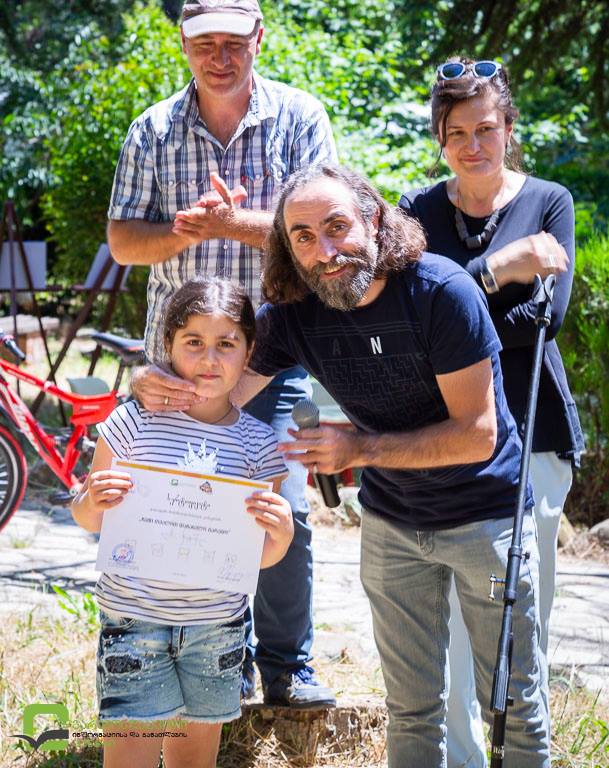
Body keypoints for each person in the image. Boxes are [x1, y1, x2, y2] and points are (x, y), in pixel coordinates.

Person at [231, 163, 551, 768]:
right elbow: (221, 394)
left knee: (512, 708)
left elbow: (477, 436)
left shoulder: (440, 292)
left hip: (486, 518)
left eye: (337, 227)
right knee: (411, 710)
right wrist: (149, 400)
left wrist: (360, 449)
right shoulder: (295, 313)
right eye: (303, 237)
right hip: (393, 525)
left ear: (374, 219)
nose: (325, 253)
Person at [106, 0, 337, 708]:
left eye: (234, 42)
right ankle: (217, 659)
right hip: (181, 367)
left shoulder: (300, 117)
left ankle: (287, 666)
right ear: (183, 45)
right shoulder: (151, 129)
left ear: (259, 39)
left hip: (275, 357)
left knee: (279, 510)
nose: (219, 57)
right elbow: (123, 241)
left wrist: (231, 222)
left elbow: (328, 232)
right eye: (204, 43)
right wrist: (182, 231)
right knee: (179, 509)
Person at [398, 57, 584, 767]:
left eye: (485, 129)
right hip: (444, 431)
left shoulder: (549, 201)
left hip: (533, 430)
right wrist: (502, 270)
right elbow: (410, 323)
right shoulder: (415, 212)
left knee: (522, 612)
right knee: (445, 612)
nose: (472, 145)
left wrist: (454, 308)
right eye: (456, 133)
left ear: (509, 128)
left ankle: (522, 755)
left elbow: (546, 322)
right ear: (439, 140)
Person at [71, 277, 294, 768]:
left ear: (249, 352)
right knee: (128, 761)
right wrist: (92, 500)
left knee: (194, 761)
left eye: (226, 344)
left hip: (216, 629)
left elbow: (258, 556)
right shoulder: (130, 423)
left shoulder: (259, 446)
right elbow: (88, 518)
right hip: (134, 620)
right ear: (168, 344)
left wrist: (282, 535)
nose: (209, 359)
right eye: (193, 342)